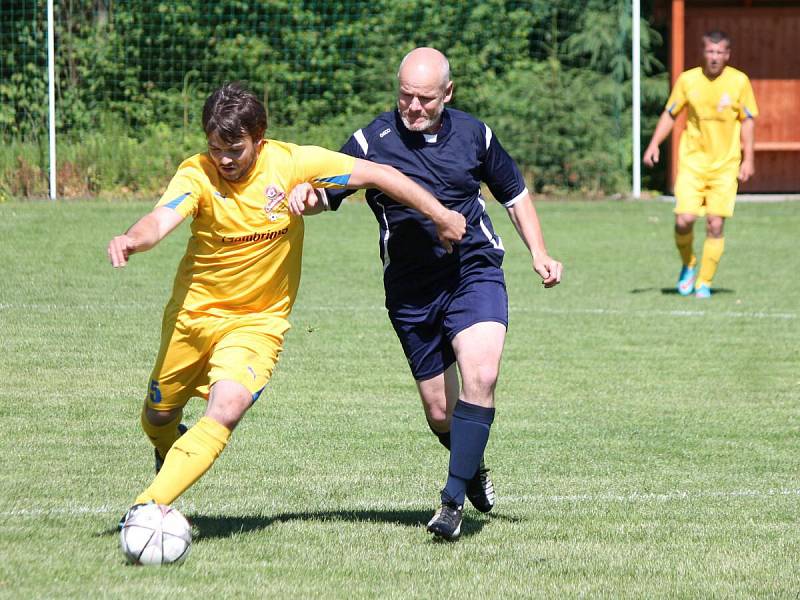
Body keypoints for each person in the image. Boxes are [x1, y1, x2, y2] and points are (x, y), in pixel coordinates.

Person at [107, 83, 466, 525]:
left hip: (258, 323)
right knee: (157, 417)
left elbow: (380, 174)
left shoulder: (292, 163)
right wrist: (132, 239)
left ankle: (146, 508)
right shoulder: (197, 173)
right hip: (192, 319)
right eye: (215, 147)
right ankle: (168, 445)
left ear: (259, 140)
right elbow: (160, 220)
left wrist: (441, 215)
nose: (223, 159)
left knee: (228, 406)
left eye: (234, 149)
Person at [282, 48, 562, 540]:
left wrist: (538, 251)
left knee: (483, 373)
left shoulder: (475, 134)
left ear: (447, 94)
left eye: (424, 100)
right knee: (439, 413)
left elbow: (514, 193)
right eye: (405, 97)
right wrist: (310, 198)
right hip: (410, 291)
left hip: (472, 271)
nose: (412, 107)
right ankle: (470, 465)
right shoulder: (372, 139)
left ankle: (452, 501)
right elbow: (329, 191)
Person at [643, 30, 758, 299]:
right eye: (710, 51)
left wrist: (749, 159)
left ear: (727, 54)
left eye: (720, 52)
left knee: (715, 224)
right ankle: (689, 265)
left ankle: (704, 282)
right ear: (703, 52)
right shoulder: (688, 80)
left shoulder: (739, 82)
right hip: (693, 162)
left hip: (726, 165)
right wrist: (654, 144)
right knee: (684, 220)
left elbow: (748, 120)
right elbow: (670, 113)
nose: (715, 57)